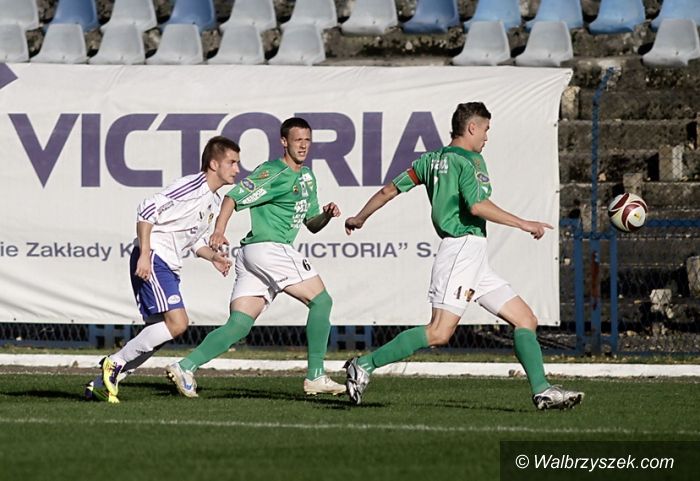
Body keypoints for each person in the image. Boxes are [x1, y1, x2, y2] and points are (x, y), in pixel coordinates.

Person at [342, 102, 584, 410]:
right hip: (461, 250)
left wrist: (360, 217)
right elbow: (477, 206)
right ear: (471, 127)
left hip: (473, 257)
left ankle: (542, 390)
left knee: (525, 319)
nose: (486, 137)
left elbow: (389, 190)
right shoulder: (471, 160)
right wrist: (524, 223)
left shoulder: (429, 160)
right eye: (485, 129)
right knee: (438, 332)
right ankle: (364, 364)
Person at [166, 117, 346, 398]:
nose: (303, 145)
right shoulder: (272, 171)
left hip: (255, 254)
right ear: (284, 142)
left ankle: (185, 366)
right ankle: (316, 376)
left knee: (239, 324)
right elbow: (232, 198)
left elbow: (311, 224)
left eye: (307, 140)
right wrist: (218, 231)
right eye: (297, 140)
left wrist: (326, 215)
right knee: (322, 301)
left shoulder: (307, 177)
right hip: (269, 249)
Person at [84, 136, 241, 403]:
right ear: (214, 164)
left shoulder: (213, 201)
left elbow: (194, 241)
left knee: (158, 333)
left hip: (167, 263)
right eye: (232, 162)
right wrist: (145, 254)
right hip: (155, 257)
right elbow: (146, 210)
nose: (237, 169)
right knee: (178, 323)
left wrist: (213, 257)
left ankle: (100, 385)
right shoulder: (192, 186)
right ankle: (114, 363)